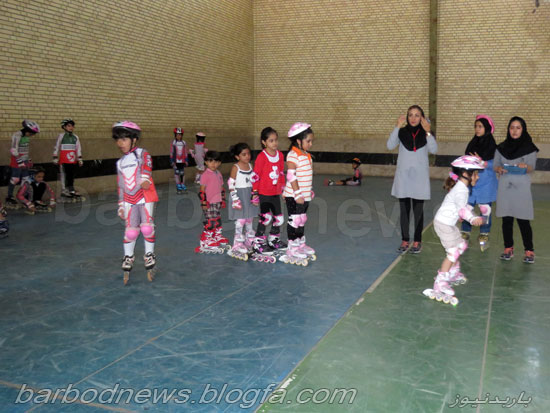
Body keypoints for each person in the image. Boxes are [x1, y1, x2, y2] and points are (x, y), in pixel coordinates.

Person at [423, 155, 487, 306]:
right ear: (465, 174)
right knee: (453, 253)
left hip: (448, 223)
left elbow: (460, 207)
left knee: (461, 245)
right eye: (475, 173)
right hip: (444, 224)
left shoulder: (462, 187)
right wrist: (472, 218)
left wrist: (464, 214)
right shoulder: (461, 190)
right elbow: (462, 209)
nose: (477, 176)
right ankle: (440, 282)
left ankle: (452, 273)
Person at [387, 105, 437, 254]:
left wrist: (428, 131)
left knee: (418, 212)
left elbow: (434, 150)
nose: (413, 118)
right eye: (410, 115)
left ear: (422, 118)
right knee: (404, 211)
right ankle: (405, 240)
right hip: (404, 178)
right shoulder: (402, 132)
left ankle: (417, 241)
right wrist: (397, 126)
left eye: (417, 115)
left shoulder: (426, 134)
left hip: (419, 179)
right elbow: (389, 145)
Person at [113, 121, 158, 285]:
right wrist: (120, 204)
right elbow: (121, 185)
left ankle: (149, 254)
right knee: (131, 232)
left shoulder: (142, 153)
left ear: (134, 140)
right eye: (118, 140)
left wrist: (145, 178)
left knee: (147, 228)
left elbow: (147, 165)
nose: (120, 143)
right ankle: (128, 257)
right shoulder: (120, 163)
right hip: (129, 199)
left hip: (144, 196)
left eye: (124, 139)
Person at [494, 116, 539, 264]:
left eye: (518, 128)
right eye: (512, 127)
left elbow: (532, 167)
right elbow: (495, 165)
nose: (514, 131)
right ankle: (508, 248)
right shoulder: (501, 148)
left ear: (523, 129)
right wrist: (499, 169)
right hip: (505, 187)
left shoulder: (529, 148)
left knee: (523, 220)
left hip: (521, 188)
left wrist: (526, 166)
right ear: (508, 129)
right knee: (506, 220)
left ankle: (529, 250)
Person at [460, 115, 498, 251]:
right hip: (471, 183)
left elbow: (495, 165)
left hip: (486, 183)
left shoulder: (492, 146)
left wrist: (482, 162)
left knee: (485, 210)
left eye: (480, 126)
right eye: (476, 126)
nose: (477, 129)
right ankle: (465, 231)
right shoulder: (472, 143)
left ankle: (484, 233)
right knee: (467, 208)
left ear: (487, 128)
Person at [280, 122, 315, 266]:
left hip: (304, 194)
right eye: (308, 141)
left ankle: (300, 244)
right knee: (294, 220)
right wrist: (298, 194)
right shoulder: (293, 155)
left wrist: (309, 190)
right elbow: (291, 176)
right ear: (298, 141)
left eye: (311, 141)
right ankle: (292, 248)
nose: (311, 144)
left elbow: (306, 175)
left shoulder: (306, 155)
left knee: (302, 219)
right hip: (293, 195)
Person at [251, 127, 286, 261]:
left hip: (275, 192)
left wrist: (283, 189)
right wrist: (254, 193)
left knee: (279, 219)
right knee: (265, 218)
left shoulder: (280, 155)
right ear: (264, 142)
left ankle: (273, 239)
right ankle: (258, 242)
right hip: (264, 192)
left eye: (276, 140)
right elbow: (256, 176)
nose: (274, 143)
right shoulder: (262, 156)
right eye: (271, 141)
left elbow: (281, 173)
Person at [227, 143, 259, 261]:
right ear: (237, 156)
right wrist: (235, 198)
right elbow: (231, 184)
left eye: (248, 154)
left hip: (249, 194)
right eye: (244, 154)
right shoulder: (236, 167)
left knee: (249, 218)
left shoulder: (250, 166)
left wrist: (255, 193)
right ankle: (237, 244)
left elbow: (253, 181)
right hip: (239, 195)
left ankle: (249, 240)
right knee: (241, 220)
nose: (247, 156)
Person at [195, 151, 229, 254]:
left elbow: (221, 188)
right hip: (209, 202)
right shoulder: (205, 175)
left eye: (216, 162)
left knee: (217, 219)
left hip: (217, 201)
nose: (214, 164)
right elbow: (202, 190)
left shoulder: (219, 174)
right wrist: (204, 202)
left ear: (220, 163)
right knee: (210, 220)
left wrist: (223, 199)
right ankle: (206, 239)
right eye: (211, 161)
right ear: (206, 162)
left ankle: (217, 235)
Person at [6, 120, 39, 208]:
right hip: (16, 160)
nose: (32, 136)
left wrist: (28, 159)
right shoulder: (17, 135)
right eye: (32, 134)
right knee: (15, 179)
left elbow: (24, 150)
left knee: (26, 180)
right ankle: (9, 197)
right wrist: (20, 162)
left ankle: (23, 197)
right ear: (27, 131)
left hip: (24, 160)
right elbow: (13, 150)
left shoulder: (26, 137)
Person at [53, 118, 83, 202]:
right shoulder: (61, 136)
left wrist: (80, 159)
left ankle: (71, 189)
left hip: (72, 160)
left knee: (71, 175)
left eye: (72, 126)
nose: (71, 128)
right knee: (64, 174)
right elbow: (57, 146)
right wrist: (55, 157)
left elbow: (78, 148)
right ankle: (64, 190)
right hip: (63, 159)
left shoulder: (75, 137)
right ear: (64, 127)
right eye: (69, 126)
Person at [170, 127, 188, 193]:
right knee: (177, 173)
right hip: (176, 161)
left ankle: (182, 184)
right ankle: (178, 185)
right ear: (175, 135)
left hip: (182, 161)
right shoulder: (173, 142)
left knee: (182, 173)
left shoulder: (184, 143)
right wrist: (172, 161)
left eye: (180, 135)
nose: (179, 136)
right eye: (177, 134)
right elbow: (171, 152)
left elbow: (185, 152)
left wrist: (186, 160)